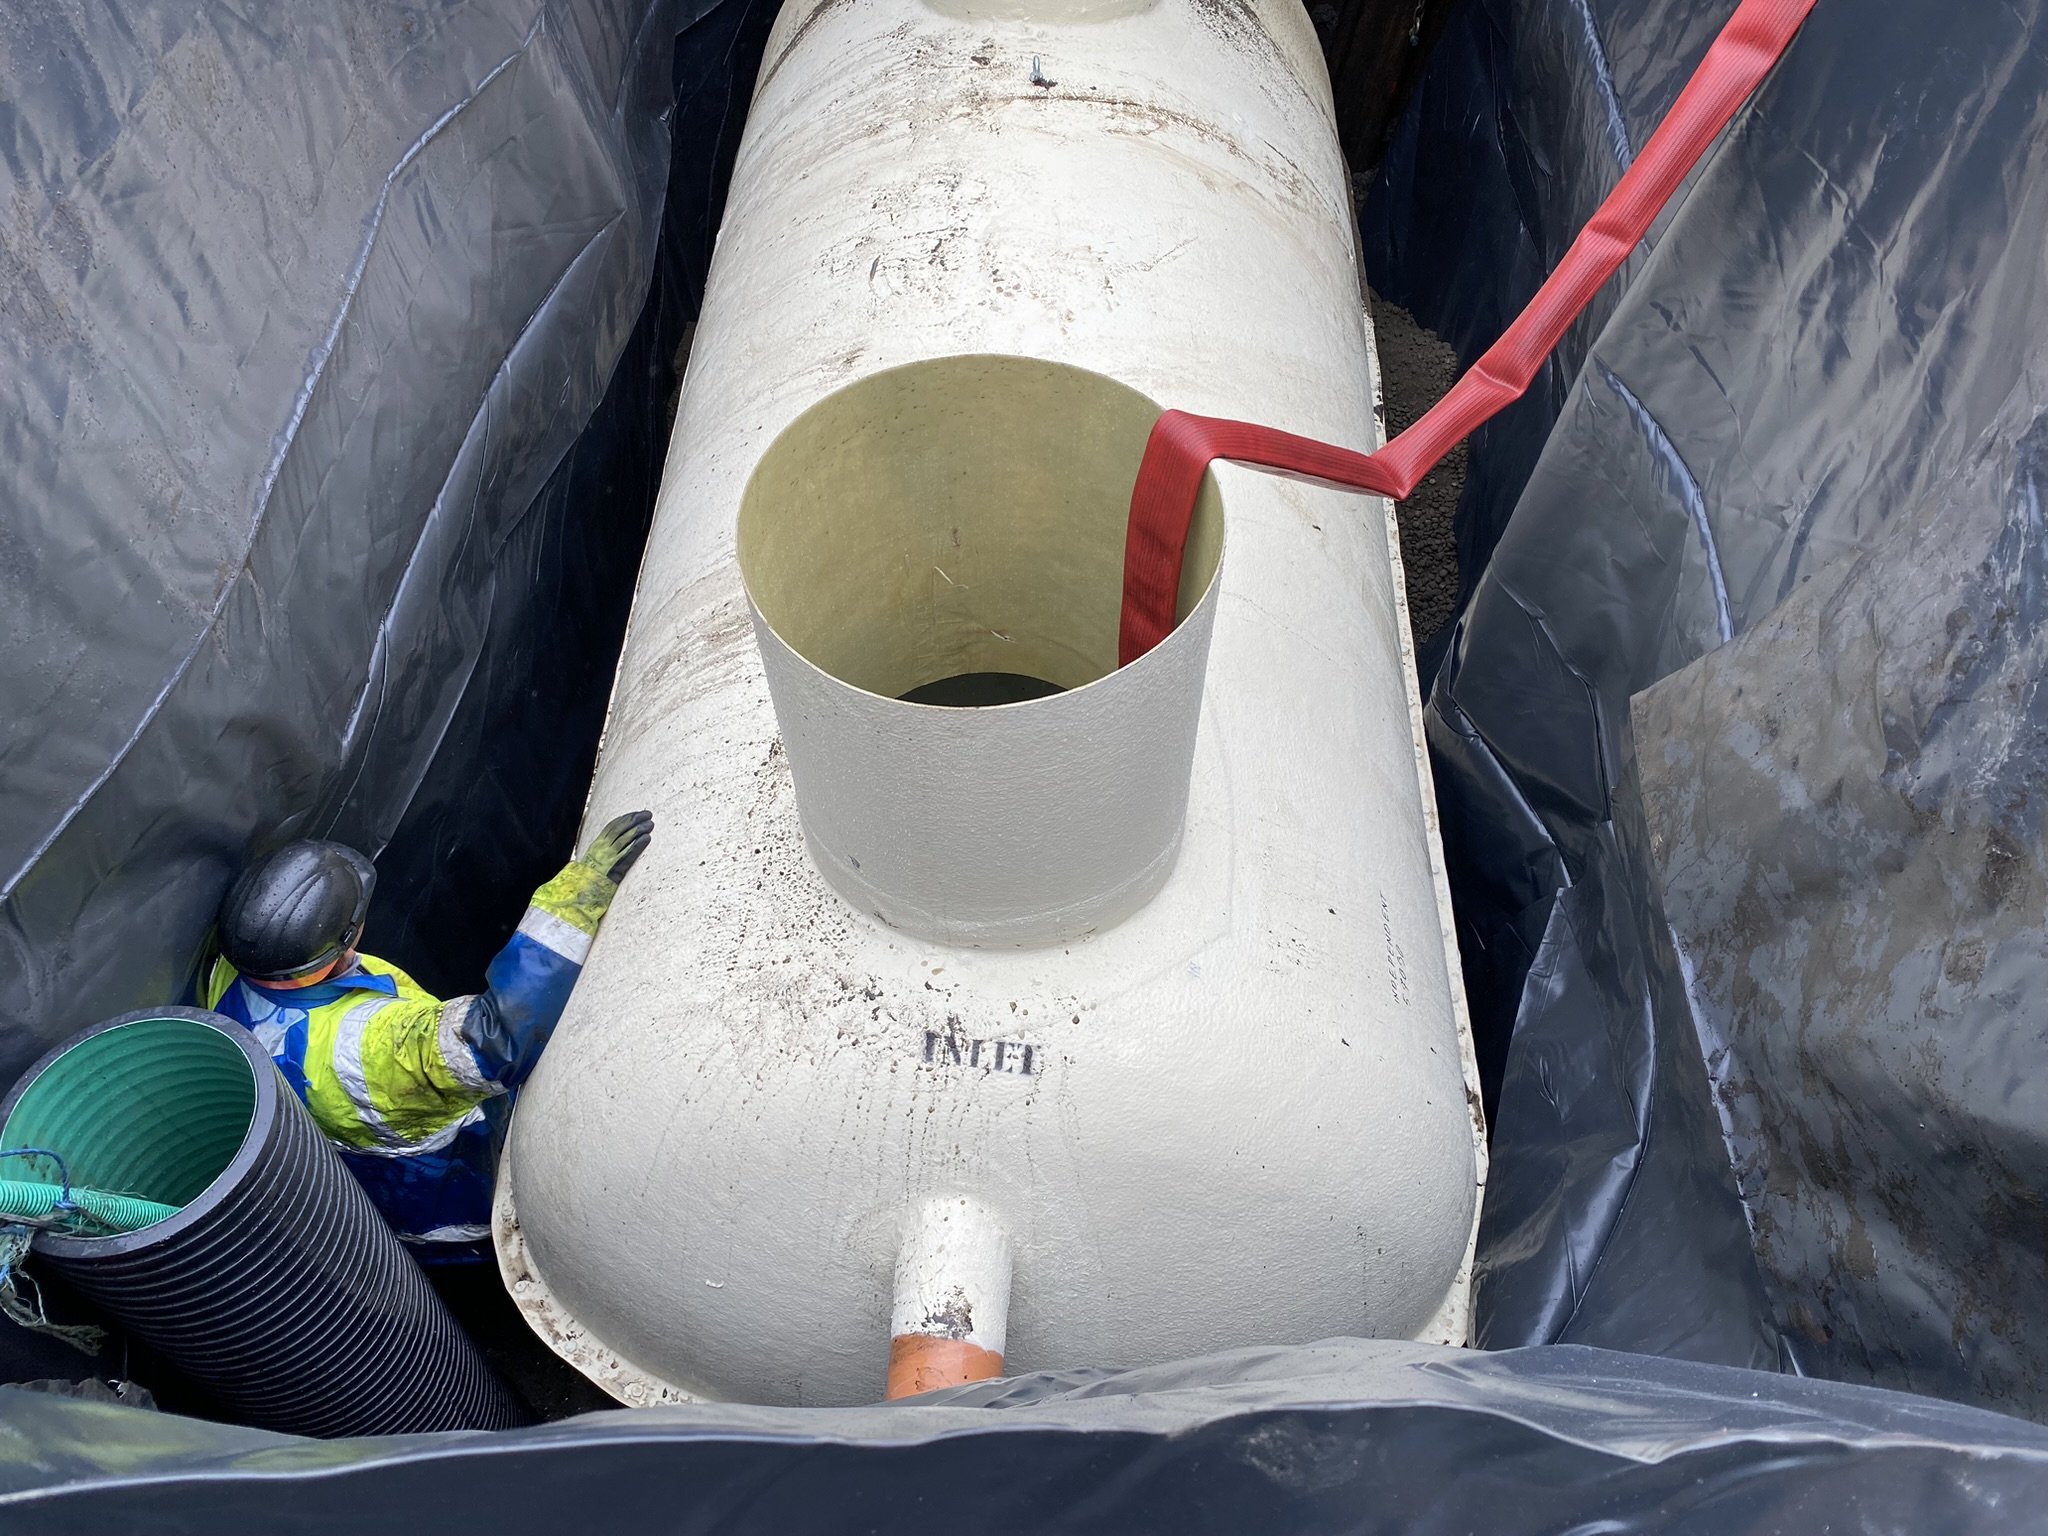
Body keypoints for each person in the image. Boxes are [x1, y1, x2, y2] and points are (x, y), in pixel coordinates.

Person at [200, 812, 653, 1263]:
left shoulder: (226, 978)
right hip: (453, 1195)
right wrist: (574, 900)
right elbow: (497, 1040)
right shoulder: (366, 1047)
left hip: (377, 1201)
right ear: (345, 939)